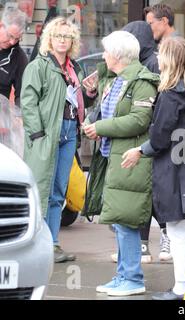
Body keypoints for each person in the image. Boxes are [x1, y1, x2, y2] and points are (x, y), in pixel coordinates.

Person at [121, 36, 185, 300]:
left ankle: (183, 288)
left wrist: (139, 150)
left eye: (162, 54)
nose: (159, 59)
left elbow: (161, 136)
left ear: (170, 59)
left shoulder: (171, 94)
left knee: (179, 234)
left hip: (177, 172)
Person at [83, 30, 158, 296]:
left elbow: (140, 120)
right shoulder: (116, 79)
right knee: (118, 220)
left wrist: (101, 127)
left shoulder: (141, 80)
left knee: (125, 220)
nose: (103, 56)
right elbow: (110, 111)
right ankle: (123, 275)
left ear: (117, 55)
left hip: (129, 159)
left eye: (105, 51)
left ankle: (133, 279)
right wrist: (94, 119)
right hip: (113, 158)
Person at [21, 17, 90, 263]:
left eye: (67, 36)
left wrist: (89, 93)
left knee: (59, 191)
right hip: (46, 134)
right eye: (58, 36)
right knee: (42, 189)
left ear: (73, 41)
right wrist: (37, 133)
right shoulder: (38, 66)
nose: (62, 40)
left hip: (70, 131)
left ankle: (53, 244)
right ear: (49, 39)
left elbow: (81, 101)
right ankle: (33, 245)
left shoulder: (75, 68)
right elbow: (27, 103)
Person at [107, 21, 171, 264]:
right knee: (141, 195)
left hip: (147, 139)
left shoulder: (151, 64)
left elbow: (150, 107)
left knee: (147, 195)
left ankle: (159, 239)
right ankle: (142, 245)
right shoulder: (141, 64)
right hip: (144, 139)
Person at [0, 7, 28, 105]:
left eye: (17, 39)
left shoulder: (20, 58)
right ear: (1, 26)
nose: (12, 42)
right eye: (10, 36)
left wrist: (19, 116)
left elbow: (22, 95)